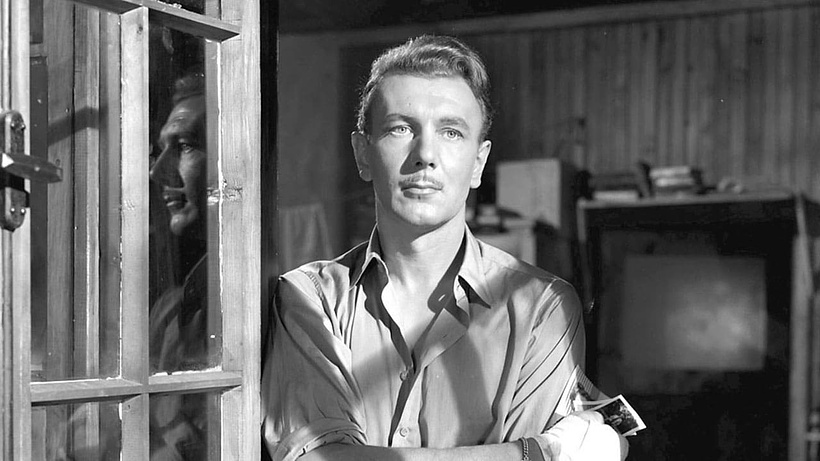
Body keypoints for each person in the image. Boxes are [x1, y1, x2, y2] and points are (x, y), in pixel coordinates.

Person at [261, 35, 629, 461]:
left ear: (478, 162)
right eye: (401, 128)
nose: (425, 155)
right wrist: (537, 452)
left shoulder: (542, 307)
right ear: (363, 154)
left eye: (451, 132)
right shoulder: (309, 298)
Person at [148, 71, 210, 460]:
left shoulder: (279, 304)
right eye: (161, 151)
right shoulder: (169, 310)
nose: (158, 172)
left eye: (185, 146)